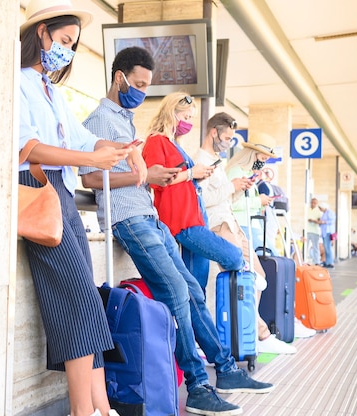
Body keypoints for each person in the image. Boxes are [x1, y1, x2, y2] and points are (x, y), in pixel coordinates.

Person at [80, 47, 273, 416]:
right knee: (176, 291)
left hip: (150, 216)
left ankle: (226, 370)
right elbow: (90, 177)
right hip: (129, 220)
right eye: (137, 83)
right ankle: (198, 386)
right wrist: (144, 176)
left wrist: (147, 179)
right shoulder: (100, 120)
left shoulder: (124, 121)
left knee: (193, 292)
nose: (140, 92)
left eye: (146, 86)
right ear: (119, 78)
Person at [18, 2, 147, 416]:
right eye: (65, 41)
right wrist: (91, 161)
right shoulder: (16, 83)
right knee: (77, 302)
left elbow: (81, 140)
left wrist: (120, 150)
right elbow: (29, 148)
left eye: (73, 45)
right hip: (37, 186)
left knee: (89, 304)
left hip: (62, 193)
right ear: (41, 33)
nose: (67, 51)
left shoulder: (52, 91)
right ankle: (83, 411)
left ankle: (100, 409)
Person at [194, 112, 298, 354]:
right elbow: (202, 198)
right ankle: (260, 334)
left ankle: (251, 331)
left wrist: (240, 190)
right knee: (245, 277)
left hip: (232, 225)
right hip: (220, 226)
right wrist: (234, 187)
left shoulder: (217, 162)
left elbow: (226, 199)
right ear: (214, 132)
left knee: (258, 276)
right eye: (228, 137)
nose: (230, 142)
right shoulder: (202, 161)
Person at [140, 92, 244, 293]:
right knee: (235, 257)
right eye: (186, 117)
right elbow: (156, 179)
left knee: (197, 287)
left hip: (195, 219)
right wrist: (190, 173)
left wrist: (197, 176)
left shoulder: (174, 145)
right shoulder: (156, 141)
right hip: (182, 222)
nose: (189, 123)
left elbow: (181, 178)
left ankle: (196, 324)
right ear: (172, 113)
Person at [225, 132, 277, 251]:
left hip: (250, 225)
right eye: (263, 158)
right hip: (242, 226)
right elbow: (231, 203)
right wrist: (259, 201)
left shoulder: (248, 173)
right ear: (252, 154)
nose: (263, 163)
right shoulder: (236, 172)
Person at [317, 202, 336, 268]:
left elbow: (332, 221)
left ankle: (330, 262)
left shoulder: (329, 212)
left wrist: (323, 222)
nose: (320, 209)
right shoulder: (324, 213)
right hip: (324, 232)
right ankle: (327, 262)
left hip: (328, 232)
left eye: (320, 208)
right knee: (326, 247)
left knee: (328, 248)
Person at [307, 198, 323, 265]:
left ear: (317, 204)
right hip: (307, 231)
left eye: (314, 203)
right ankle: (305, 260)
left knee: (315, 247)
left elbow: (321, 222)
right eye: (312, 202)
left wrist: (313, 221)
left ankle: (317, 261)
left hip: (315, 231)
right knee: (305, 246)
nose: (313, 204)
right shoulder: (307, 209)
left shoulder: (319, 212)